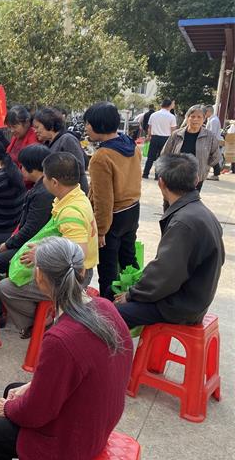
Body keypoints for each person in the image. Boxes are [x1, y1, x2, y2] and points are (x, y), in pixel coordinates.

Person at [0, 237, 132, 460]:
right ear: (81, 271)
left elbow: (36, 414)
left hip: (68, 443)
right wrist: (29, 388)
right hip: (97, 425)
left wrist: (8, 409)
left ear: (39, 276)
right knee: (13, 389)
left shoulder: (61, 339)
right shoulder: (105, 306)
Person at [115, 154, 225, 328]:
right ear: (196, 180)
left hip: (179, 306)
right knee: (112, 295)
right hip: (193, 298)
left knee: (109, 314)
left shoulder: (183, 223)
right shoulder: (201, 212)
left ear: (161, 183)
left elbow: (164, 274)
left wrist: (131, 295)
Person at [0, 152, 98, 338]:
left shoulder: (71, 212)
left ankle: (40, 325)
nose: (42, 179)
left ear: (54, 182)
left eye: (44, 176)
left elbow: (78, 256)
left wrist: (41, 255)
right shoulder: (76, 196)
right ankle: (44, 319)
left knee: (6, 287)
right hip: (72, 271)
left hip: (73, 279)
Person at [84, 102, 142, 301]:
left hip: (113, 217)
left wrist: (101, 231)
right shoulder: (130, 145)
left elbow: (104, 200)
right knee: (129, 261)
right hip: (132, 210)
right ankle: (134, 300)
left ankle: (109, 310)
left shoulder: (101, 157)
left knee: (108, 270)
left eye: (88, 123)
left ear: (99, 125)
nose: (86, 127)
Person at [0, 145, 53, 280]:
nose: (20, 169)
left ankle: (2, 291)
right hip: (27, 236)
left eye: (22, 166)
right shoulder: (40, 186)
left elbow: (31, 229)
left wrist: (8, 244)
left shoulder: (43, 194)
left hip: (34, 244)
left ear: (32, 168)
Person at [160, 105, 220, 192]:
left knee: (191, 199)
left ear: (204, 119)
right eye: (192, 116)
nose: (195, 119)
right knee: (173, 198)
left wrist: (205, 166)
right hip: (176, 175)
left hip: (197, 177)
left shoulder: (210, 136)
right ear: (187, 118)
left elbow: (216, 156)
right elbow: (165, 153)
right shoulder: (177, 134)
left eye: (199, 117)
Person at [32, 107, 89, 192]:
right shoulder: (47, 143)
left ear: (50, 126)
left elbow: (78, 169)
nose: (35, 131)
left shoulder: (67, 139)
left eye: (37, 127)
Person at [142, 98, 177, 179]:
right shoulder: (172, 117)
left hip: (154, 138)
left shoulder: (154, 115)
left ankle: (145, 174)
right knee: (161, 157)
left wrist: (148, 136)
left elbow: (149, 128)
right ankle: (157, 175)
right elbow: (173, 130)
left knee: (150, 157)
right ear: (169, 105)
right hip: (166, 139)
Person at [204, 105, 223, 180]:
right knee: (212, 157)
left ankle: (216, 174)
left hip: (212, 141)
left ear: (209, 111)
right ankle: (215, 173)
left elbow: (212, 133)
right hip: (212, 141)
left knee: (213, 157)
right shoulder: (211, 119)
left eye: (205, 112)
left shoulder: (213, 120)